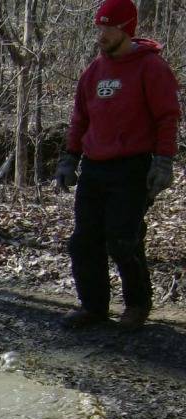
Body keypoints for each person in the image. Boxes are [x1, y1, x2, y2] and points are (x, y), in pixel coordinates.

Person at [54, 0, 179, 331]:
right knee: (83, 241)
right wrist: (70, 158)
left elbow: (168, 118)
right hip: (95, 166)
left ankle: (137, 304)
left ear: (125, 28)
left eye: (107, 27)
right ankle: (93, 307)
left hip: (132, 167)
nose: (101, 34)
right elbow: (80, 118)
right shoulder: (94, 71)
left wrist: (163, 163)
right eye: (99, 27)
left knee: (123, 239)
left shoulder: (152, 68)